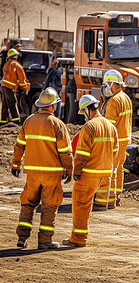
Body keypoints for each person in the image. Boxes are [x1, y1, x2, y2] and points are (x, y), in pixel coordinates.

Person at [12, 87, 73, 249]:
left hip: (32, 173)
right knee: (49, 205)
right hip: (51, 174)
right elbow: (65, 152)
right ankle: (45, 240)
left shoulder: (29, 121)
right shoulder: (57, 124)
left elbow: (19, 146)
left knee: (28, 203)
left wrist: (16, 164)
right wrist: (69, 170)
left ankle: (23, 237)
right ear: (53, 106)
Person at [62, 95, 118, 247]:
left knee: (80, 202)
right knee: (85, 202)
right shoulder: (110, 126)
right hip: (104, 172)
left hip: (90, 172)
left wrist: (76, 172)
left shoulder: (90, 127)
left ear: (87, 110)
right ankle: (79, 236)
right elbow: (115, 151)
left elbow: (82, 154)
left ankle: (78, 238)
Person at [94, 70, 132, 209]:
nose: (106, 87)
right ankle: (117, 196)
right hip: (124, 138)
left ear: (113, 83)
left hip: (115, 140)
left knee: (110, 170)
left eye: (108, 83)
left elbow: (108, 126)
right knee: (119, 168)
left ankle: (106, 200)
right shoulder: (125, 98)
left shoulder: (114, 101)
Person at [1, 49, 29, 125]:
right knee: (12, 103)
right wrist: (25, 88)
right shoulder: (17, 65)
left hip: (3, 87)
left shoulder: (6, 64)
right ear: (16, 56)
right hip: (9, 88)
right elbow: (22, 80)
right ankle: (16, 121)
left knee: (5, 104)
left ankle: (3, 121)